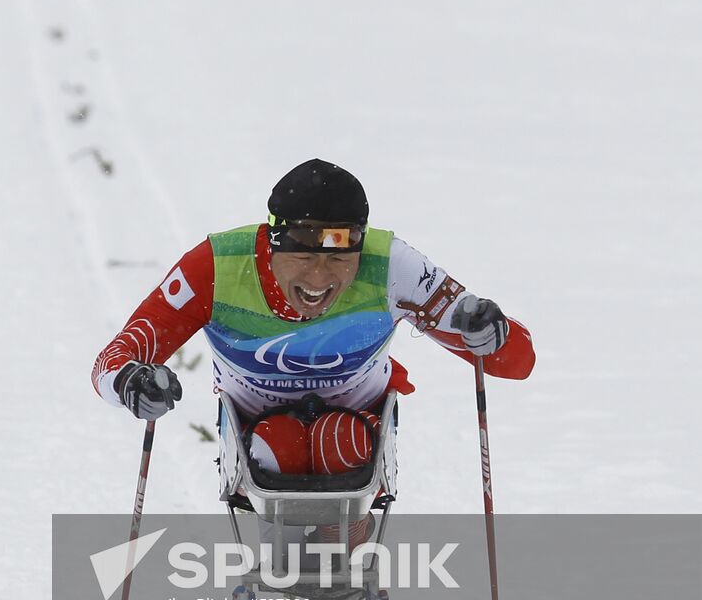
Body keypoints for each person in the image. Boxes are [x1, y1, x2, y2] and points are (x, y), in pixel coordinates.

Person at [91, 159, 535, 477]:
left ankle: (339, 564)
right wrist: (132, 383)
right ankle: (284, 561)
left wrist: (488, 332)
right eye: (302, 256)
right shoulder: (216, 265)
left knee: (341, 442)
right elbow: (113, 360)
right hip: (252, 432)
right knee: (275, 449)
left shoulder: (391, 265)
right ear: (271, 243)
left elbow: (516, 362)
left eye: (341, 259)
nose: (319, 278)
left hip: (357, 423)